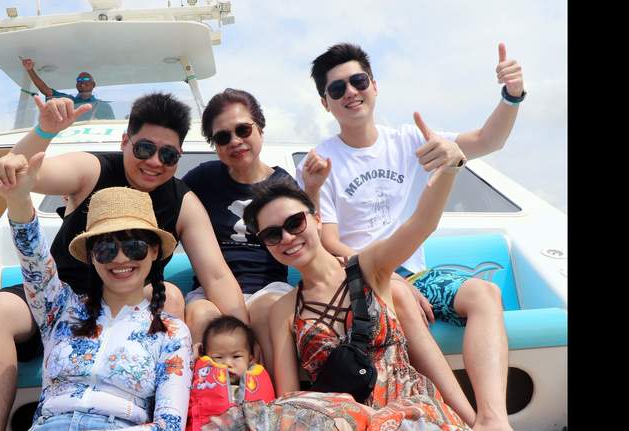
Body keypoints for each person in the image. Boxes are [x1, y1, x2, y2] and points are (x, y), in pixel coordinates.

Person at [0, 93, 247, 431]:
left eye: (168, 154)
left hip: (133, 296)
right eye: (144, 149)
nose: (155, 161)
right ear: (125, 141)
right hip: (62, 293)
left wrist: (247, 343)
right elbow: (23, 175)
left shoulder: (182, 201)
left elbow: (217, 276)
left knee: (170, 295)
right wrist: (43, 133)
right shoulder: (93, 169)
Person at [294, 42, 522, 430]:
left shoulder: (408, 140)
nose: (350, 92)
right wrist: (386, 275)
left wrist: (511, 95)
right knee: (399, 297)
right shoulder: (322, 162)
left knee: (486, 293)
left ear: (374, 85)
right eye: (337, 89)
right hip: (361, 282)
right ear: (325, 103)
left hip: (417, 275)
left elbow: (488, 140)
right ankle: (468, 422)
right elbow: (328, 240)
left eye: (358, 80)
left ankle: (492, 420)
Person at [209, 126, 469, 429]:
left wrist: (450, 168)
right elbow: (290, 398)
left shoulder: (369, 267)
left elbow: (420, 225)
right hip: (338, 421)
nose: (287, 237)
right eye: (272, 234)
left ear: (317, 218)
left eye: (295, 223)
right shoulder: (284, 309)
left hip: (407, 413)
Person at [0, 142, 193, 431]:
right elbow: (33, 258)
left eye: (134, 246)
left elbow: (169, 425)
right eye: (106, 249)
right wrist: (18, 199)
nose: (121, 258)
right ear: (91, 257)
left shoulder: (173, 333)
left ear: (153, 251)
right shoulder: (60, 307)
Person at [181, 88, 299, 369]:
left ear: (260, 129)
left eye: (243, 130)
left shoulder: (283, 185)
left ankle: (278, 402)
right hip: (210, 291)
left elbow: (304, 238)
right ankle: (207, 405)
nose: (235, 141)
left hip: (267, 286)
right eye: (223, 137)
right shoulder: (202, 178)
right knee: (201, 316)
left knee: (269, 312)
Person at [188, 316, 275, 431]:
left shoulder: (260, 381)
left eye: (236, 356)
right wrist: (192, 361)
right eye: (218, 357)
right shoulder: (199, 380)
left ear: (251, 358)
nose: (228, 363)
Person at [22, 57, 115, 120]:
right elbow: (46, 90)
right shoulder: (67, 100)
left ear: (93, 84)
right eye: (79, 80)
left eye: (86, 79)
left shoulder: (103, 106)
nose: (82, 82)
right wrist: (30, 70)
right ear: (77, 85)